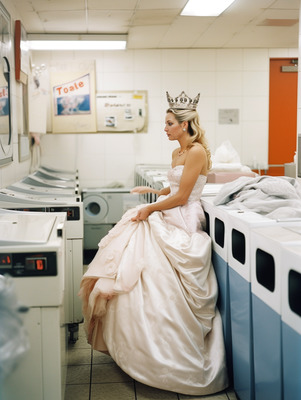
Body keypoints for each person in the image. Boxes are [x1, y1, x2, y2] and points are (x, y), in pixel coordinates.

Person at [79, 91, 229, 396]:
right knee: (141, 253)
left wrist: (149, 207)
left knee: (149, 244)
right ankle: (137, 346)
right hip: (172, 208)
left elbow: (185, 196)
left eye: (169, 123)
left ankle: (171, 351)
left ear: (185, 125)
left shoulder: (197, 151)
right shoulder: (177, 153)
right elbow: (175, 186)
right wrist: (154, 191)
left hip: (185, 219)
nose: (165, 128)